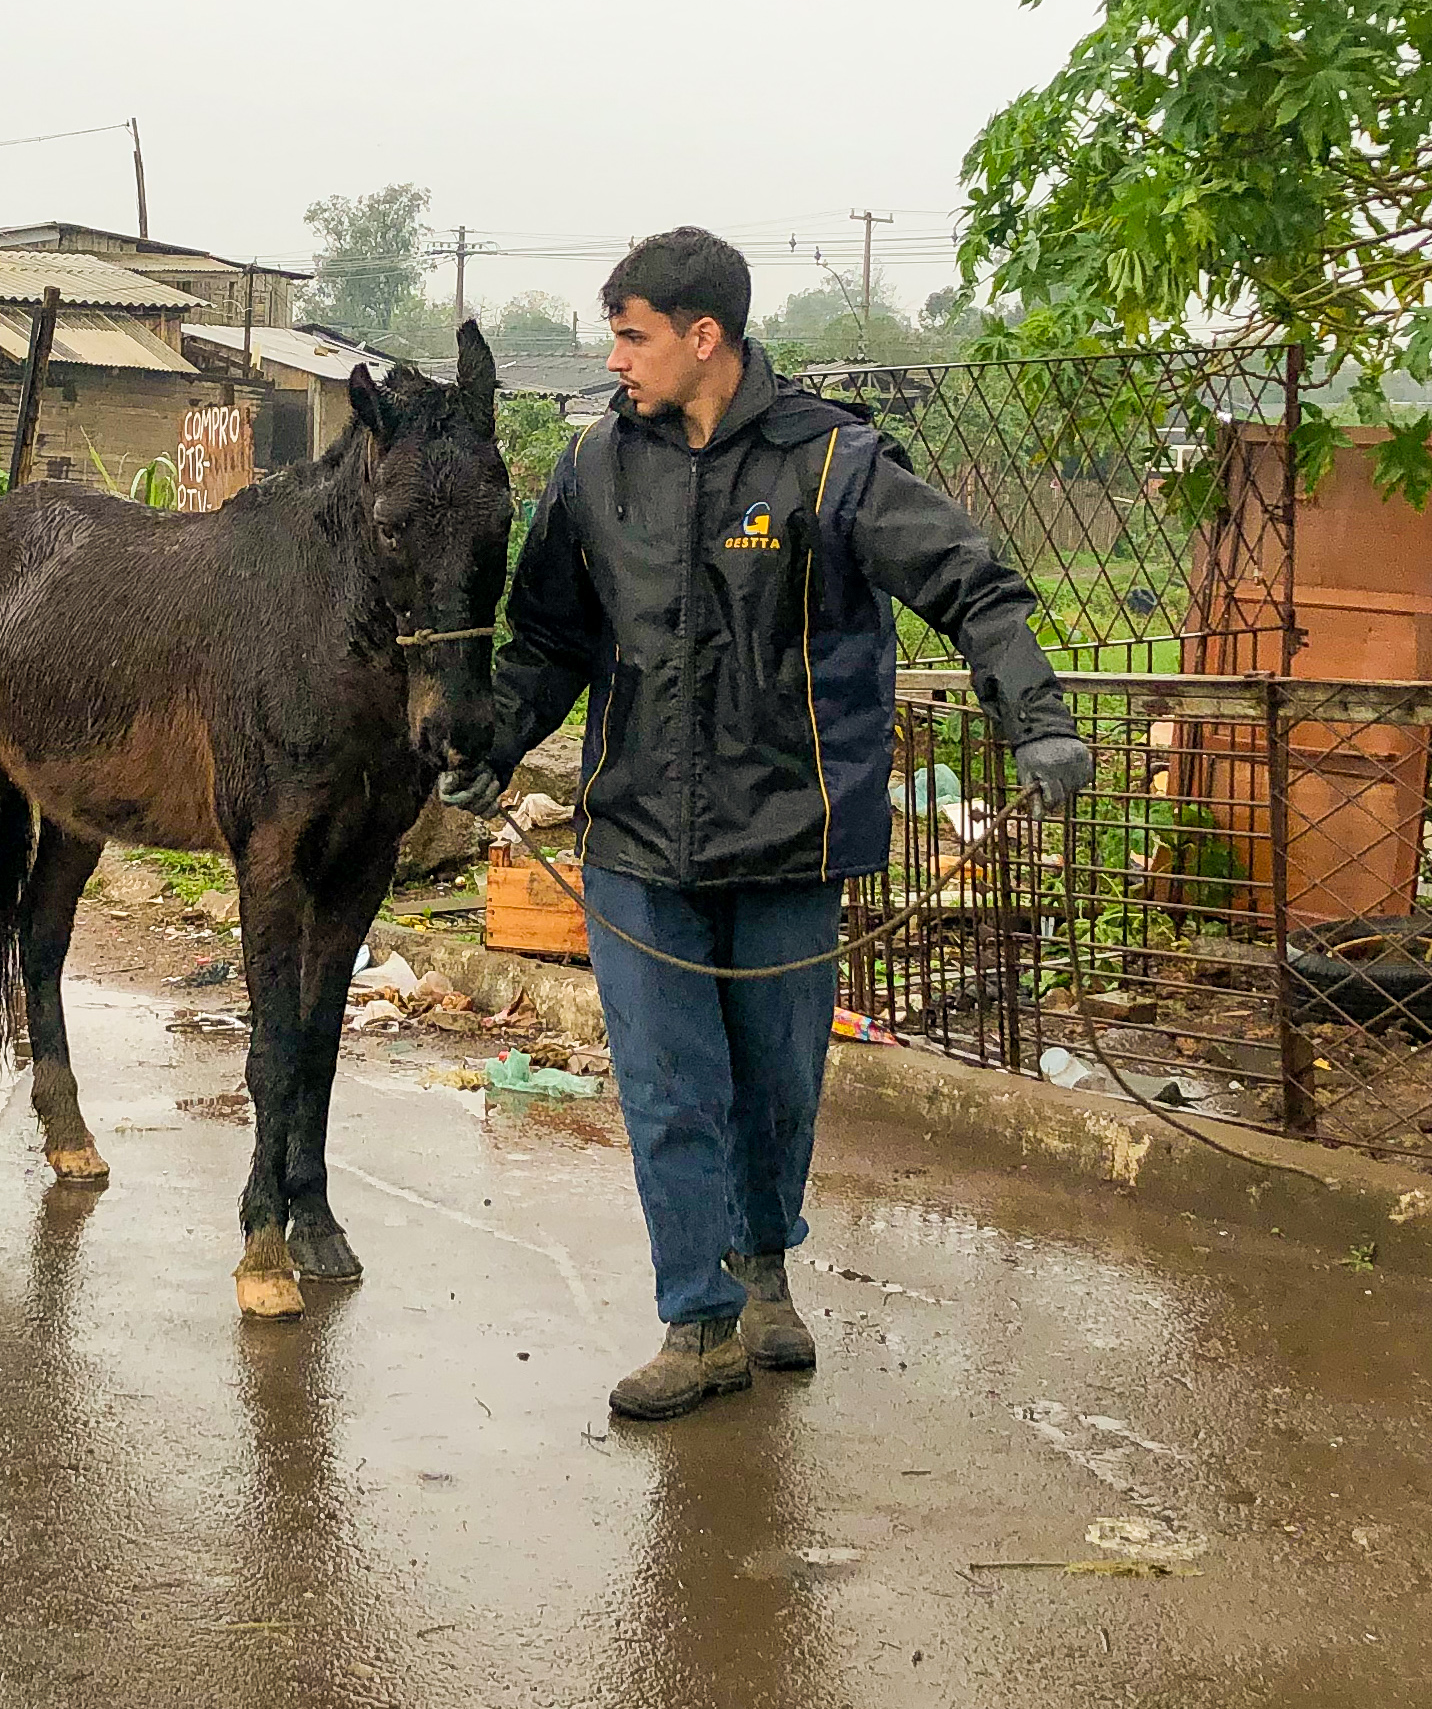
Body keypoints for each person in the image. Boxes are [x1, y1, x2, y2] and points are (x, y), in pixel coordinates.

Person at [439, 229, 1091, 1420]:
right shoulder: (592, 470)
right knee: (668, 1083)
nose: (614, 357)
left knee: (777, 1078)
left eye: (631, 334)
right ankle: (695, 1321)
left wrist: (1035, 718)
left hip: (790, 832)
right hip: (639, 835)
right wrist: (486, 745)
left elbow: (967, 578)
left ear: (704, 337)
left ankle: (762, 1275)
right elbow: (548, 642)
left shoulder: (833, 463)